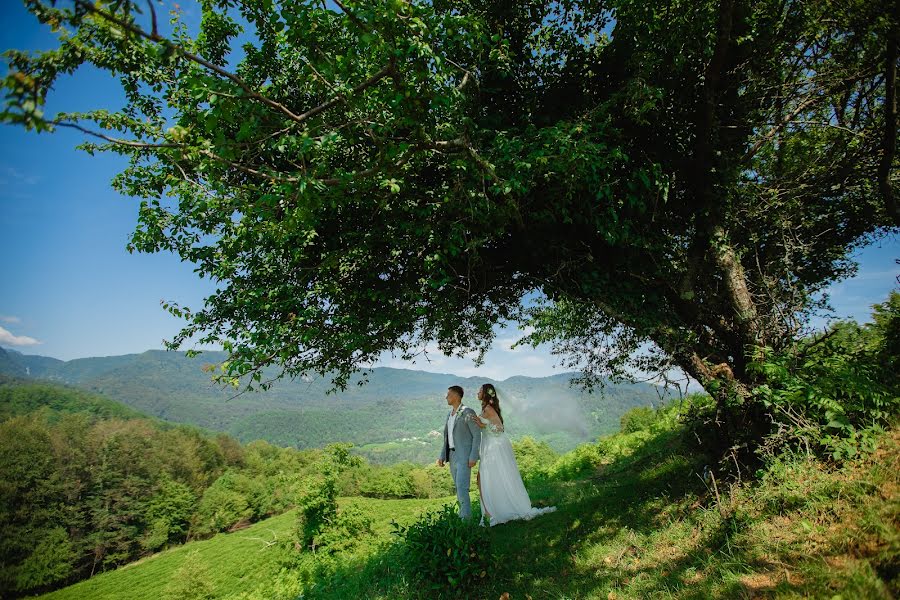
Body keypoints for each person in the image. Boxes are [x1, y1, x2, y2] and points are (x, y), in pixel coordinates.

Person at [473, 383, 557, 526]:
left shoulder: (488, 408)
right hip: (489, 445)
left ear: (486, 394)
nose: (477, 392)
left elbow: (500, 428)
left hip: (495, 446)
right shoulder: (486, 408)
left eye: (480, 390)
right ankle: (491, 510)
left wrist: (484, 425)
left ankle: (494, 511)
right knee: (486, 477)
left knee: (487, 476)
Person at [436, 385, 481, 519]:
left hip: (464, 457)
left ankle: (466, 521)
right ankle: (464, 517)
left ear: (456, 396)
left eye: (448, 395)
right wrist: (442, 456)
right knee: (458, 487)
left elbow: (477, 435)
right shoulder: (449, 415)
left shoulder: (468, 412)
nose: (446, 397)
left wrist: (473, 456)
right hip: (452, 456)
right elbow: (447, 437)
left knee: (462, 488)